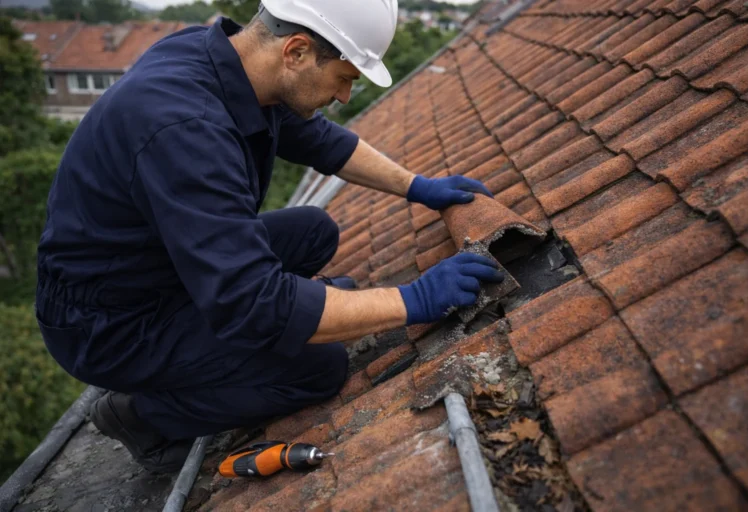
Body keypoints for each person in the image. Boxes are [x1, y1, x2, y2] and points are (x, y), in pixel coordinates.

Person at [35, 0, 503, 473]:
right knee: (317, 368)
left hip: (159, 261)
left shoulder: (225, 61)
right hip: (110, 321)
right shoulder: (184, 126)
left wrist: (418, 186)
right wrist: (414, 299)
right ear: (296, 51)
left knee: (313, 231)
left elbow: (320, 140)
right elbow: (257, 302)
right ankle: (142, 418)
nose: (344, 96)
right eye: (344, 77)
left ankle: (259, 325)